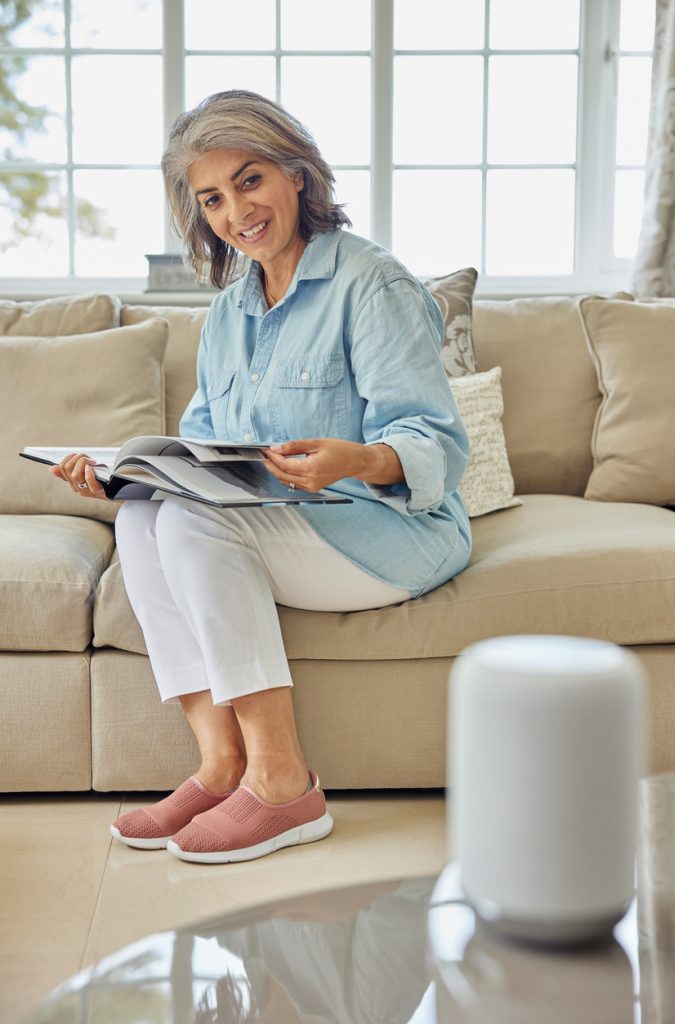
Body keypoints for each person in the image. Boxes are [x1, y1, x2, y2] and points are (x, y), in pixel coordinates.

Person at [50, 90, 472, 865]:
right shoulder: (230, 312)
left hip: (394, 530)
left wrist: (358, 458)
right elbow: (206, 447)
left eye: (249, 181)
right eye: (212, 198)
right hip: (289, 523)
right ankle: (221, 766)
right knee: (149, 513)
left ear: (296, 176)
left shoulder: (370, 283)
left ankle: (284, 785)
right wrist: (123, 476)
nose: (235, 211)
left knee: (187, 520)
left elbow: (435, 445)